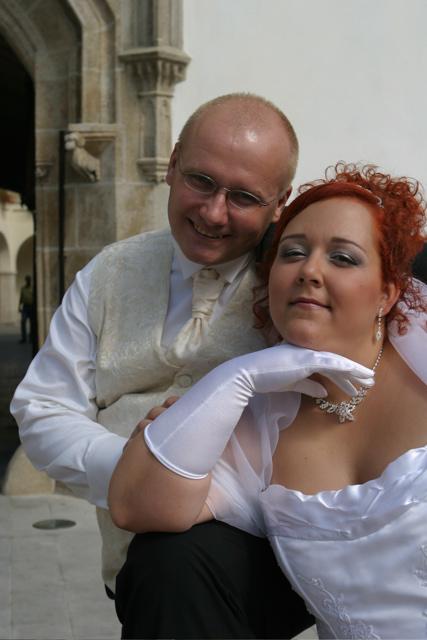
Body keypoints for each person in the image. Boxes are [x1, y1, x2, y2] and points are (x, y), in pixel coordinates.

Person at [11, 93, 325, 639]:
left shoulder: (303, 280)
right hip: (134, 566)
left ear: (281, 203)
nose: (213, 212)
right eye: (201, 181)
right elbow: (43, 407)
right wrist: (138, 471)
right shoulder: (107, 272)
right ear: (173, 163)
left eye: (244, 197)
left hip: (263, 560)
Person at [108, 163, 427, 638]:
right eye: (292, 253)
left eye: (343, 258)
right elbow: (134, 507)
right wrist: (235, 377)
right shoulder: (259, 420)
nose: (309, 271)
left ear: (386, 293)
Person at [18, 274, 33, 343]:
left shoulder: (33, 288)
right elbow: (21, 298)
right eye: (27, 280)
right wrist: (19, 306)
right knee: (23, 321)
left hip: (31, 307)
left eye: (29, 280)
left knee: (32, 323)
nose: (28, 281)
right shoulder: (23, 289)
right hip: (25, 307)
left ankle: (31, 337)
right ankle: (24, 338)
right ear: (26, 280)